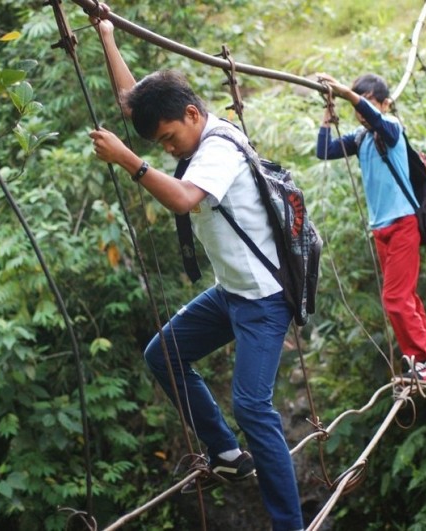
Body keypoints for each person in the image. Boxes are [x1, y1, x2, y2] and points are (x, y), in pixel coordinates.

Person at [87, 10, 304, 531]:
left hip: (264, 297)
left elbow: (184, 200)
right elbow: (131, 101)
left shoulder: (220, 149)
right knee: (162, 354)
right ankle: (226, 453)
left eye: (166, 140)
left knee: (253, 407)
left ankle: (288, 524)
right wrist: (106, 35)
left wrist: (129, 162)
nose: (164, 149)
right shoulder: (186, 128)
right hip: (232, 292)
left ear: (191, 114)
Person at [315, 72, 426, 385]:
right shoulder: (360, 139)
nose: (361, 114)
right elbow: (324, 151)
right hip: (381, 230)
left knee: (395, 299)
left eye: (369, 105)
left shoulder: (392, 129)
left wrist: (348, 95)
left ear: (385, 104)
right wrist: (327, 114)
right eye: (359, 108)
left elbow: (378, 121)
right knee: (406, 297)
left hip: (403, 224)